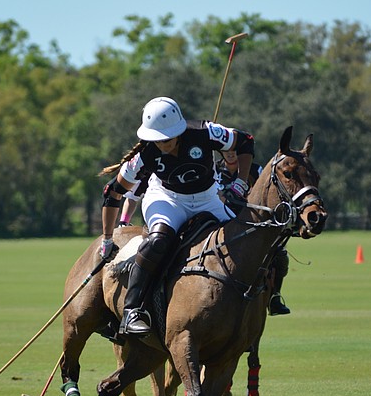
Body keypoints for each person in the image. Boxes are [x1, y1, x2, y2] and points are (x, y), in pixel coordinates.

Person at [99, 96, 255, 336]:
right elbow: (113, 193)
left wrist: (241, 183)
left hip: (208, 198)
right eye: (156, 140)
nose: (162, 145)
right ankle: (132, 311)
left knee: (242, 237)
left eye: (167, 140)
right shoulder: (146, 155)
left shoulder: (206, 133)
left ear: (179, 131)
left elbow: (245, 142)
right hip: (166, 199)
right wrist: (108, 240)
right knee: (159, 240)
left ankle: (264, 297)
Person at [217, 150, 291, 315]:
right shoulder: (215, 171)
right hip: (219, 223)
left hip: (249, 223)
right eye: (226, 149)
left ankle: (274, 298)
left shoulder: (256, 171)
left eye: (235, 150)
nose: (230, 153)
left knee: (280, 255)